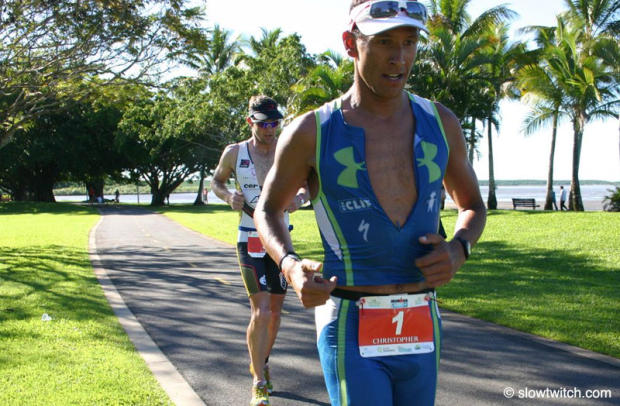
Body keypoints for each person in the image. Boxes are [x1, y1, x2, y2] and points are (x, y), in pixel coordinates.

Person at [253, 2, 487, 405]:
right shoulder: (312, 131)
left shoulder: (441, 122)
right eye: (384, 42)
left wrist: (459, 248)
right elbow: (268, 209)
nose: (399, 57)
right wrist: (290, 267)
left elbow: (473, 206)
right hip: (348, 320)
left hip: (421, 319)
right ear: (350, 43)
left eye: (409, 42)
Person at [211, 95, 309, 406]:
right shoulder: (234, 152)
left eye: (274, 123)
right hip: (249, 239)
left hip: (280, 239)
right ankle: (258, 381)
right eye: (264, 124)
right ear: (250, 122)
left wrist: (300, 198)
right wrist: (228, 196)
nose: (270, 130)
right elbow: (216, 182)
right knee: (261, 311)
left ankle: (261, 362)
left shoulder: (287, 150)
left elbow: (310, 183)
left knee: (276, 312)